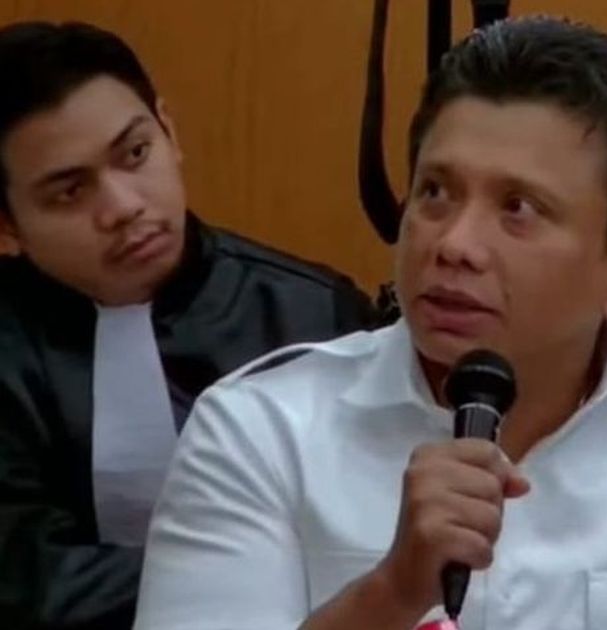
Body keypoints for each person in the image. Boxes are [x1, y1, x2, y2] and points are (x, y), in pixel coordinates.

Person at [134, 17, 607, 630]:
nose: (453, 244)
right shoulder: (260, 433)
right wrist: (390, 594)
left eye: (518, 209)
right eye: (435, 192)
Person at [0, 21, 376, 630]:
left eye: (135, 154)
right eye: (69, 192)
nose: (124, 207)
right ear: (9, 225)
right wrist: (241, 573)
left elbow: (363, 532)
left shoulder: (310, 312)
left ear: (169, 133)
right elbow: (25, 583)